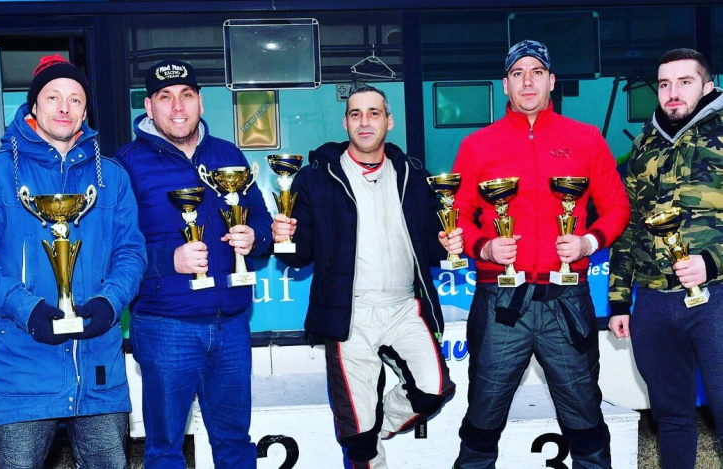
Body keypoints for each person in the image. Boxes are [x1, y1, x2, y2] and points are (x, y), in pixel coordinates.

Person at [450, 40, 630, 468]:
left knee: (584, 418)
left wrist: (588, 243)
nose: (527, 82)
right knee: (482, 420)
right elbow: (456, 215)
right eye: (518, 73)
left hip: (565, 298)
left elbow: (617, 208)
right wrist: (485, 246)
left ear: (551, 81)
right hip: (500, 302)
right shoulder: (477, 145)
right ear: (506, 85)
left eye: (536, 72)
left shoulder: (585, 138)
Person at [0, 54, 146, 468]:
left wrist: (109, 302)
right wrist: (27, 309)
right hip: (23, 363)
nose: (64, 107)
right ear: (34, 105)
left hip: (98, 364)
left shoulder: (111, 177)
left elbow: (131, 252)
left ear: (85, 111)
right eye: (53, 97)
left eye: (75, 99)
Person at [271, 85, 456, 469]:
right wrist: (283, 238)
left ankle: (375, 426)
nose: (365, 121)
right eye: (355, 114)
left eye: (374, 113)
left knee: (434, 389)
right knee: (358, 435)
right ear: (345, 123)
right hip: (349, 312)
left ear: (389, 121)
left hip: (405, 307)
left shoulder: (412, 174)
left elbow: (430, 244)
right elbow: (300, 254)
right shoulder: (316, 179)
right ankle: (363, 435)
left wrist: (446, 242)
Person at [115, 59, 272, 469]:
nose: (177, 107)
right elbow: (112, 250)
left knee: (235, 443)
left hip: (231, 324)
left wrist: (255, 237)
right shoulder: (125, 164)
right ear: (149, 106)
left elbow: (262, 220)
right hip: (165, 327)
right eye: (165, 97)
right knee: (165, 449)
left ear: (200, 102)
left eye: (186, 95)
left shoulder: (228, 154)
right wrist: (168, 260)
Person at [608, 48, 723, 469]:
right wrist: (620, 301)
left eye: (684, 82)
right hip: (654, 302)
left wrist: (712, 262)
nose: (673, 92)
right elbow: (628, 227)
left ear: (707, 86)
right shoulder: (643, 145)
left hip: (717, 297)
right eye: (664, 84)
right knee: (670, 417)